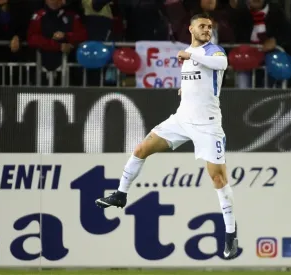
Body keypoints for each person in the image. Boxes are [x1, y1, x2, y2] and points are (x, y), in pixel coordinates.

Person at [95, 13, 238, 259]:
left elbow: (221, 65)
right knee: (141, 149)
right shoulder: (189, 53)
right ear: (190, 28)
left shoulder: (213, 51)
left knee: (218, 179)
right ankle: (120, 194)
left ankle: (230, 234)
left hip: (207, 125)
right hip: (181, 119)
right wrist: (186, 87)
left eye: (209, 26)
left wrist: (190, 55)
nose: (206, 29)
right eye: (201, 26)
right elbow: (199, 80)